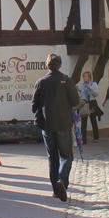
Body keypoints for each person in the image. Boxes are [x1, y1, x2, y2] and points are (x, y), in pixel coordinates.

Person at [31, 54, 80, 202]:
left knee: (52, 158)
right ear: (60, 65)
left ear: (47, 65)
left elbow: (34, 105)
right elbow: (75, 101)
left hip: (47, 125)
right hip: (63, 124)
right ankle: (62, 181)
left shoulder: (41, 82)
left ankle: (55, 190)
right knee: (67, 156)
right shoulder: (66, 80)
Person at [77, 71, 101, 145]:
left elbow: (96, 94)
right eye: (83, 76)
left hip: (92, 103)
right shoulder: (82, 85)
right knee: (83, 122)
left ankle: (96, 137)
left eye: (86, 76)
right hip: (84, 103)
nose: (84, 78)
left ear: (89, 77)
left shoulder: (93, 84)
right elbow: (81, 94)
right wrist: (78, 90)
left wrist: (89, 88)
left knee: (93, 120)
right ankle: (83, 140)